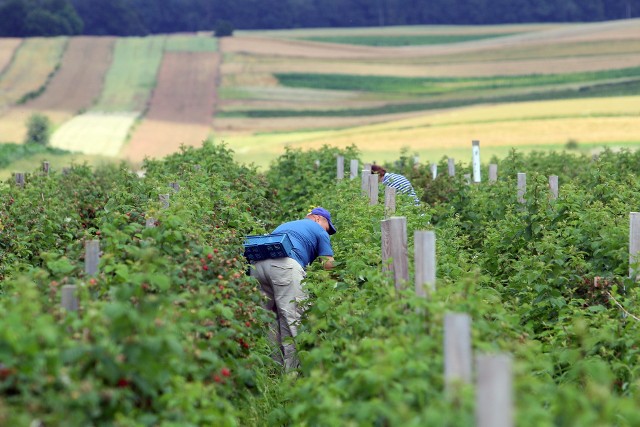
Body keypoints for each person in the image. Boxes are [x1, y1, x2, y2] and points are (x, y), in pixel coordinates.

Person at [249, 206, 336, 371]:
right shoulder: (318, 229)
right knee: (292, 318)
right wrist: (337, 283)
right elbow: (328, 263)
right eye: (328, 226)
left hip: (257, 267)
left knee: (267, 319)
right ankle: (292, 374)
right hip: (284, 266)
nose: (328, 231)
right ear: (318, 218)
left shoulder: (287, 225)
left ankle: (272, 369)